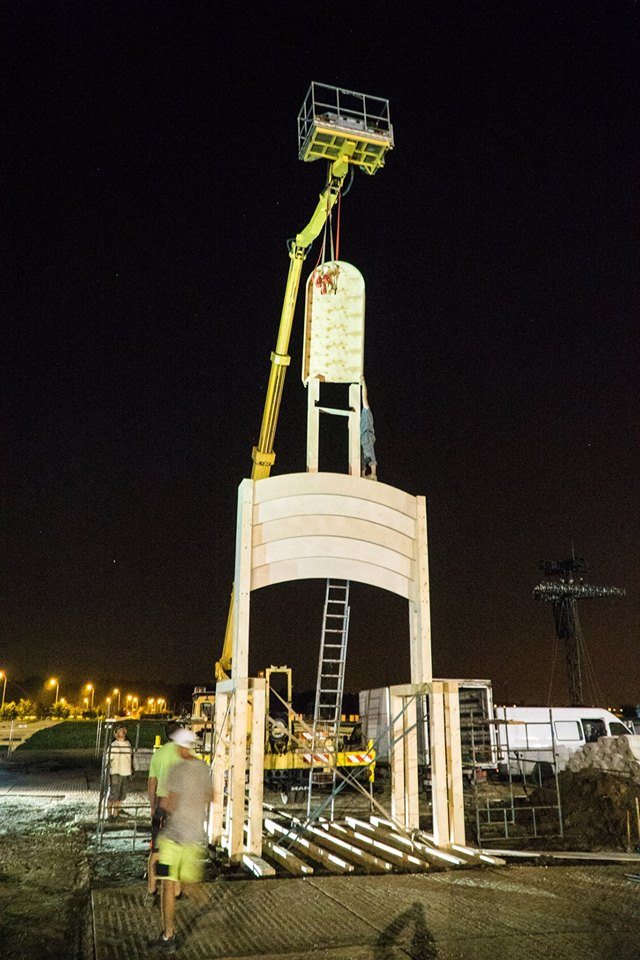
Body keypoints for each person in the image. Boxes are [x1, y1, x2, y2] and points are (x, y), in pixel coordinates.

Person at [147, 727, 213, 953]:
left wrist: (159, 810)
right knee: (187, 882)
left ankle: (168, 936)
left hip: (174, 837)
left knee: (167, 884)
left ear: (179, 747)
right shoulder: (203, 767)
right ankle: (203, 899)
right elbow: (210, 796)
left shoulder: (178, 769)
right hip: (194, 836)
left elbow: (169, 803)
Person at [147, 721, 183, 903]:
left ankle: (152, 890)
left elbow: (152, 783)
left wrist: (153, 807)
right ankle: (176, 891)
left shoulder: (158, 755)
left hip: (162, 806)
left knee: (156, 850)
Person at [107, 725, 133, 818]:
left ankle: (116, 813)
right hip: (116, 772)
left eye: (123, 730)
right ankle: (109, 814)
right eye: (120, 731)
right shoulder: (113, 745)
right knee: (114, 793)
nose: (122, 732)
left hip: (125, 772)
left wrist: (131, 768)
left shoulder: (128, 744)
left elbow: (130, 757)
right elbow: (108, 759)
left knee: (122, 794)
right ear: (116, 733)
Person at [360, 376, 377, 480]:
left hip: (367, 434)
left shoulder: (366, 412)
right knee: (363, 456)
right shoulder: (361, 417)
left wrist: (363, 384)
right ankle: (363, 474)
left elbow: (364, 398)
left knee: (369, 454)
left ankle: (373, 474)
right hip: (364, 437)